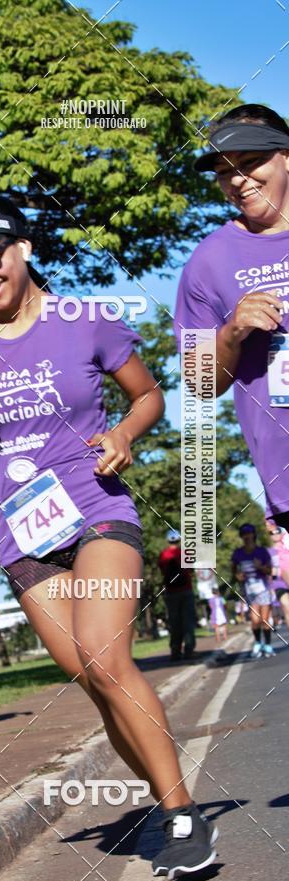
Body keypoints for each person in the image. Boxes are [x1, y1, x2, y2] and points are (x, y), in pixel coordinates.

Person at [0, 192, 218, 879]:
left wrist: (123, 434)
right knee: (92, 677)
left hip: (96, 507)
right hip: (23, 533)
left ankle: (182, 814)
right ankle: (164, 799)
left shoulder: (86, 320)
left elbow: (148, 394)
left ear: (20, 247)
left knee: (105, 654)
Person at [174, 104, 289, 532]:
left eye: (250, 162)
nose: (239, 181)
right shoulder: (209, 261)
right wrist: (230, 334)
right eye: (225, 171)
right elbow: (200, 384)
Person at [231, 523, 274, 658]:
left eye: (249, 533)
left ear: (254, 535)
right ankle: (257, 642)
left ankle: (267, 644)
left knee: (265, 619)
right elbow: (234, 569)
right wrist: (238, 575)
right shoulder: (238, 553)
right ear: (241, 536)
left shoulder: (261, 551)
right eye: (244, 534)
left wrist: (260, 567)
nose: (247, 536)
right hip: (249, 589)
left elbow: (270, 570)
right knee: (255, 619)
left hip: (263, 588)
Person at [158, 529, 197, 661]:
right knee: (188, 622)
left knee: (174, 623)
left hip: (170, 592)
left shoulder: (163, 555)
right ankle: (189, 650)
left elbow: (162, 571)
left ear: (168, 540)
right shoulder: (185, 553)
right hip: (186, 590)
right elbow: (191, 570)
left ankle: (175, 651)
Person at [266, 518, 289, 626]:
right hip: (279, 583)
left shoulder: (287, 545)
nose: (275, 534)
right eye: (272, 533)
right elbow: (268, 572)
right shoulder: (268, 552)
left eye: (277, 531)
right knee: (287, 608)